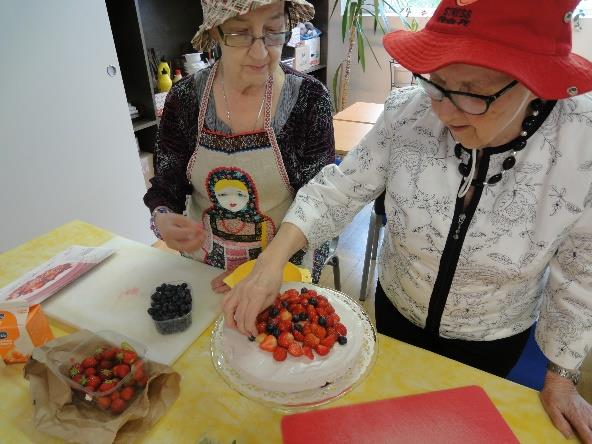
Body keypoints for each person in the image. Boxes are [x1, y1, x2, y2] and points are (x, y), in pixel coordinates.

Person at [222, 0, 592, 441]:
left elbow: (580, 274)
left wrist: (561, 377)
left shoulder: (580, 147)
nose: (443, 111)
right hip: (396, 311)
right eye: (436, 83)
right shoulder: (408, 113)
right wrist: (269, 265)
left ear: (538, 82)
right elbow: (340, 190)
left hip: (492, 337)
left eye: (471, 92)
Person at [143, 0, 335, 292]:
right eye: (239, 33)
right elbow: (166, 187)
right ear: (216, 32)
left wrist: (269, 268)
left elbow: (318, 203)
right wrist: (163, 218)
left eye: (273, 30)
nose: (260, 52)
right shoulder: (184, 100)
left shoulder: (308, 99)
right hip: (203, 269)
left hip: (282, 271)